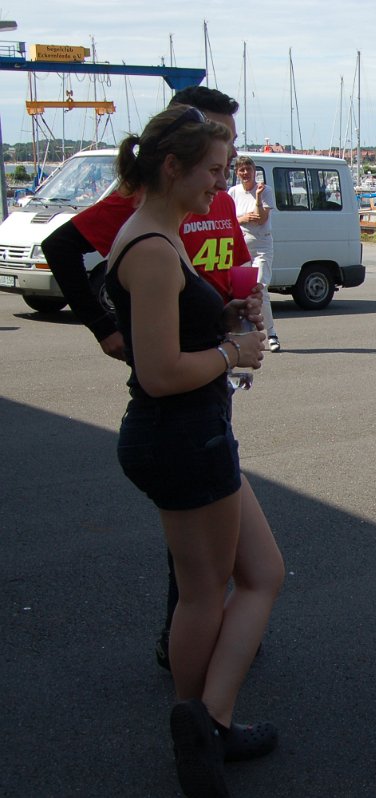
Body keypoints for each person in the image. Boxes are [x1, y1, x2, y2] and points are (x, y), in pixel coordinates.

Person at [107, 104, 284, 797]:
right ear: (171, 167)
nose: (221, 185)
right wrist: (231, 349)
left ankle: (210, 719)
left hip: (192, 433)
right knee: (206, 593)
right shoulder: (150, 248)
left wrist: (226, 315)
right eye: (213, 171)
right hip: (181, 435)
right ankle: (202, 731)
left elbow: (174, 334)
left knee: (263, 573)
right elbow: (159, 372)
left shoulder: (162, 234)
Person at [44, 86, 251, 671]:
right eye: (216, 146)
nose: (225, 164)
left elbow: (224, 271)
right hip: (182, 402)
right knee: (198, 571)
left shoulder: (214, 204)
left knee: (231, 564)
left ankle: (208, 645)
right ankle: (190, 656)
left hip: (207, 386)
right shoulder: (146, 215)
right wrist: (107, 330)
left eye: (230, 146)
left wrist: (233, 304)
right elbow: (61, 248)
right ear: (176, 151)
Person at [228, 155, 280, 351]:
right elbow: (231, 219)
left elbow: (260, 218)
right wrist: (243, 218)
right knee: (240, 292)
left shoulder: (265, 191)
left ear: (254, 171)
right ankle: (243, 334)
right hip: (241, 246)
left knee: (260, 287)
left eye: (248, 169)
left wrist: (257, 198)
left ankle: (271, 333)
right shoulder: (233, 192)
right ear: (237, 172)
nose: (245, 173)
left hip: (262, 245)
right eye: (241, 170)